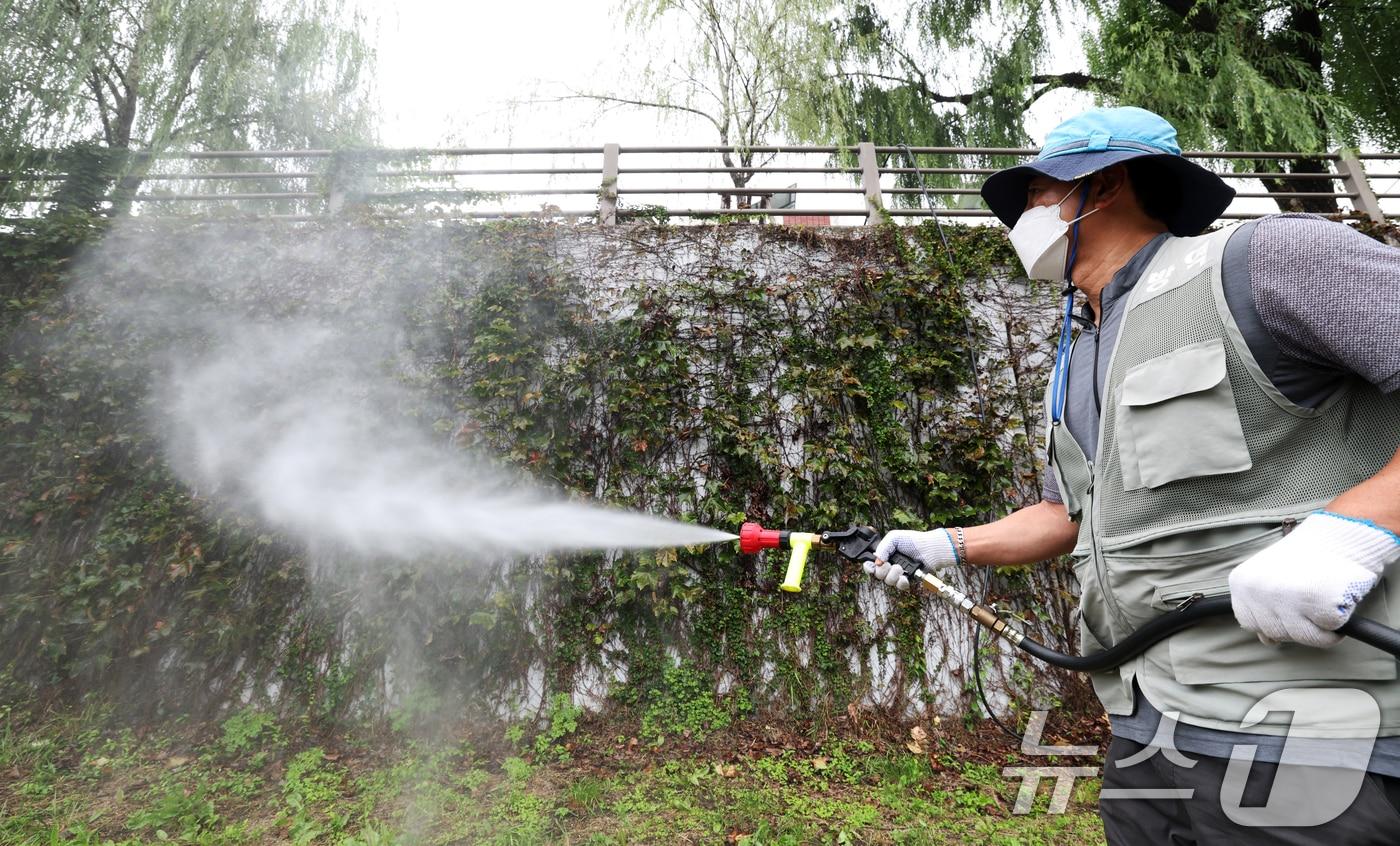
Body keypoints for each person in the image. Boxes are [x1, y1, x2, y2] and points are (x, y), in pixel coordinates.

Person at [864, 106, 1400, 841]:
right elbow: (1072, 514)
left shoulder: (1264, 263)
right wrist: (946, 545)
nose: (1021, 215)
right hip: (1152, 729)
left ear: (1106, 182)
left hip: (1313, 736)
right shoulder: (1080, 346)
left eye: (1036, 193)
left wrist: (1359, 530)